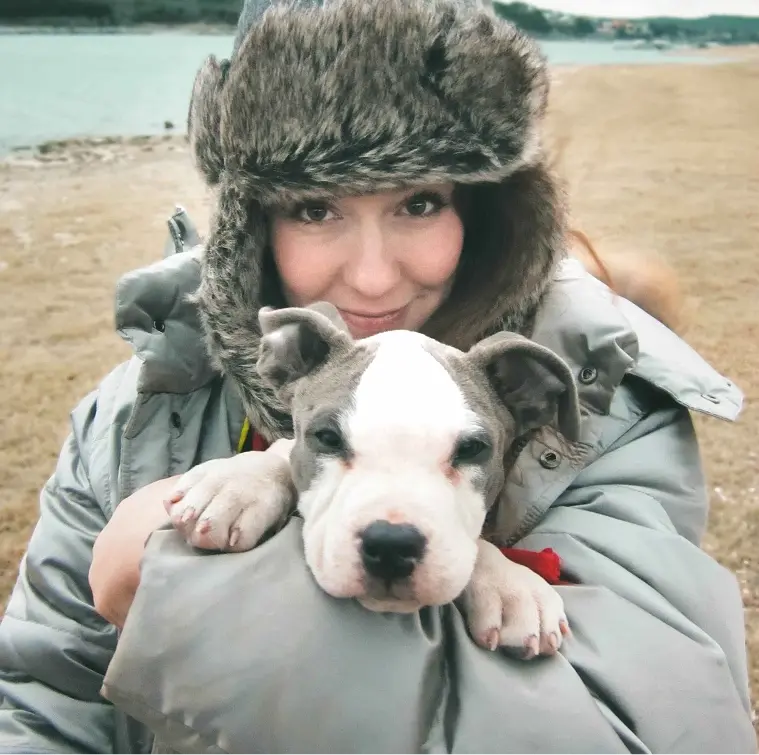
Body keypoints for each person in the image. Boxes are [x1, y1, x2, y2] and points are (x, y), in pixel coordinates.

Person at [0, 1, 755, 753]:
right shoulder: (135, 418)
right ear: (250, 222)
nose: (369, 276)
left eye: (418, 203)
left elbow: (649, 731)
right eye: (314, 207)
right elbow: (40, 708)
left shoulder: (601, 416)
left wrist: (183, 597)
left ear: (486, 208)